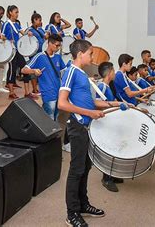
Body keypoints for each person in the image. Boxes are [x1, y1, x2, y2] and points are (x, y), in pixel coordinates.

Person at [58, 39, 125, 227]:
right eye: (90, 54)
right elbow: (62, 103)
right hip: (78, 127)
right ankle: (71, 213)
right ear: (80, 54)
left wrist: (114, 104)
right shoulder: (71, 72)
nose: (92, 57)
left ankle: (82, 204)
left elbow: (91, 103)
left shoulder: (83, 75)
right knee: (76, 170)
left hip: (87, 127)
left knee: (86, 168)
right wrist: (90, 114)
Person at [95, 62, 128, 193]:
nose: (115, 73)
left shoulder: (108, 86)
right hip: (105, 123)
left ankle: (112, 175)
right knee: (109, 150)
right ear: (109, 73)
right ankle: (106, 178)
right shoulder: (102, 86)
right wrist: (114, 104)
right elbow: (97, 104)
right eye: (113, 71)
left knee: (115, 149)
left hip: (112, 122)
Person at [21, 34, 64, 120]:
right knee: (49, 118)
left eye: (60, 45)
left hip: (59, 92)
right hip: (48, 93)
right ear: (49, 43)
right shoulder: (40, 56)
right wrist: (34, 71)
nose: (58, 48)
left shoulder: (58, 57)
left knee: (56, 117)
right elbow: (23, 70)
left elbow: (64, 72)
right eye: (57, 45)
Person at [2, 5, 34, 99]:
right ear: (10, 12)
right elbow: (2, 36)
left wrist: (28, 33)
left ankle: (27, 92)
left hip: (18, 50)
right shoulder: (6, 24)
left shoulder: (16, 24)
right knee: (12, 70)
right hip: (11, 50)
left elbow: (23, 33)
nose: (17, 14)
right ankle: (11, 92)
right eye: (16, 12)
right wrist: (8, 40)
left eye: (18, 12)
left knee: (25, 68)